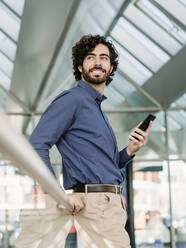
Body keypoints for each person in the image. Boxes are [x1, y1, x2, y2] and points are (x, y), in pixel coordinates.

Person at [16, 34, 152, 248]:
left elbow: (104, 166)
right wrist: (58, 193)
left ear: (111, 66)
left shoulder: (97, 110)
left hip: (110, 204)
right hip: (95, 204)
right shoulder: (72, 100)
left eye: (104, 58)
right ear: (80, 66)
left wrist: (129, 151)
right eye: (91, 57)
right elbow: (36, 145)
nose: (98, 62)